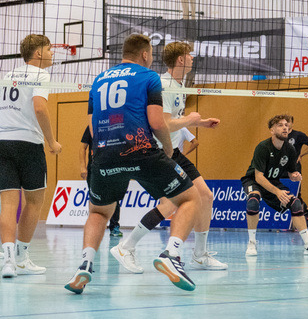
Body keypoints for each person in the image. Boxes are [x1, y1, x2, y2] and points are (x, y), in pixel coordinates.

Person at [65, 34, 201, 294]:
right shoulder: (149, 77)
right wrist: (169, 149)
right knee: (190, 197)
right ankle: (171, 255)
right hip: (141, 151)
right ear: (145, 54)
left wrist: (105, 151)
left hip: (104, 154)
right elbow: (157, 122)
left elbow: (92, 126)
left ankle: (85, 264)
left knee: (98, 212)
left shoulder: (99, 80)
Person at [109, 41, 224, 275]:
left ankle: (199, 255)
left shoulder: (178, 85)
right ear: (180, 60)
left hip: (173, 151)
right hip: (156, 151)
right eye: (189, 55)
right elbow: (164, 122)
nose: (192, 58)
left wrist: (200, 122)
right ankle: (127, 247)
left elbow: (174, 120)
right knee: (174, 202)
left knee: (204, 195)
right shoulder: (164, 85)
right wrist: (192, 120)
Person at [0, 34, 62, 278]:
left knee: (7, 203)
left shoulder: (7, 75)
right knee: (35, 201)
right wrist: (52, 141)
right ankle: (22, 258)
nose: (52, 53)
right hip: (27, 144)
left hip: (2, 142)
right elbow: (39, 107)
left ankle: (7, 261)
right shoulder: (41, 74)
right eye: (49, 49)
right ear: (38, 54)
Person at [242, 113, 308, 258]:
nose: (285, 128)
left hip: (273, 182)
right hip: (254, 181)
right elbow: (259, 177)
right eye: (280, 125)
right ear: (272, 130)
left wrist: (294, 176)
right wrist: (278, 192)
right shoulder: (263, 147)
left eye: (286, 125)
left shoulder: (290, 149)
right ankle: (251, 243)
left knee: (295, 203)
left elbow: (291, 171)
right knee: (253, 200)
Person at [80, 126, 121, 238]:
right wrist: (83, 167)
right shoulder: (91, 126)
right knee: (94, 198)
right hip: (93, 169)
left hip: (112, 168)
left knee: (114, 197)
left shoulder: (114, 126)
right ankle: (94, 227)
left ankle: (115, 226)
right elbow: (82, 147)